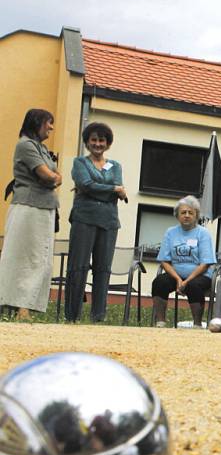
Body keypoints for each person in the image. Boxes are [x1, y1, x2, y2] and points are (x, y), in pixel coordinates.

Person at [0, 109, 62, 320]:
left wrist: (54, 176)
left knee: (38, 258)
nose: (51, 128)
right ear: (37, 123)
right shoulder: (25, 145)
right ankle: (19, 307)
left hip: (43, 207)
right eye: (48, 123)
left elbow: (56, 175)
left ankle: (24, 307)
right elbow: (47, 175)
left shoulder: (41, 148)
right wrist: (53, 177)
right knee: (23, 257)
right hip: (29, 207)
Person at [64, 122, 128, 323]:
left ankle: (98, 316)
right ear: (87, 142)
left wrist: (102, 189)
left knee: (103, 268)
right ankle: (72, 315)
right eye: (93, 139)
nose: (97, 144)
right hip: (84, 218)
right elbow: (85, 184)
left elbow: (97, 186)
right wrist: (113, 190)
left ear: (108, 143)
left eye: (102, 140)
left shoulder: (115, 165)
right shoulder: (79, 163)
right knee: (78, 267)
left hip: (109, 221)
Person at [151, 195, 215, 327]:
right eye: (183, 212)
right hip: (176, 274)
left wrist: (186, 281)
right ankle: (160, 322)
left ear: (196, 215)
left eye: (190, 212)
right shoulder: (170, 232)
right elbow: (164, 261)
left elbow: (205, 263)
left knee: (193, 286)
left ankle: (197, 325)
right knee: (159, 282)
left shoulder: (203, 233)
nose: (186, 215)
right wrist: (178, 279)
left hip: (200, 275)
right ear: (177, 215)